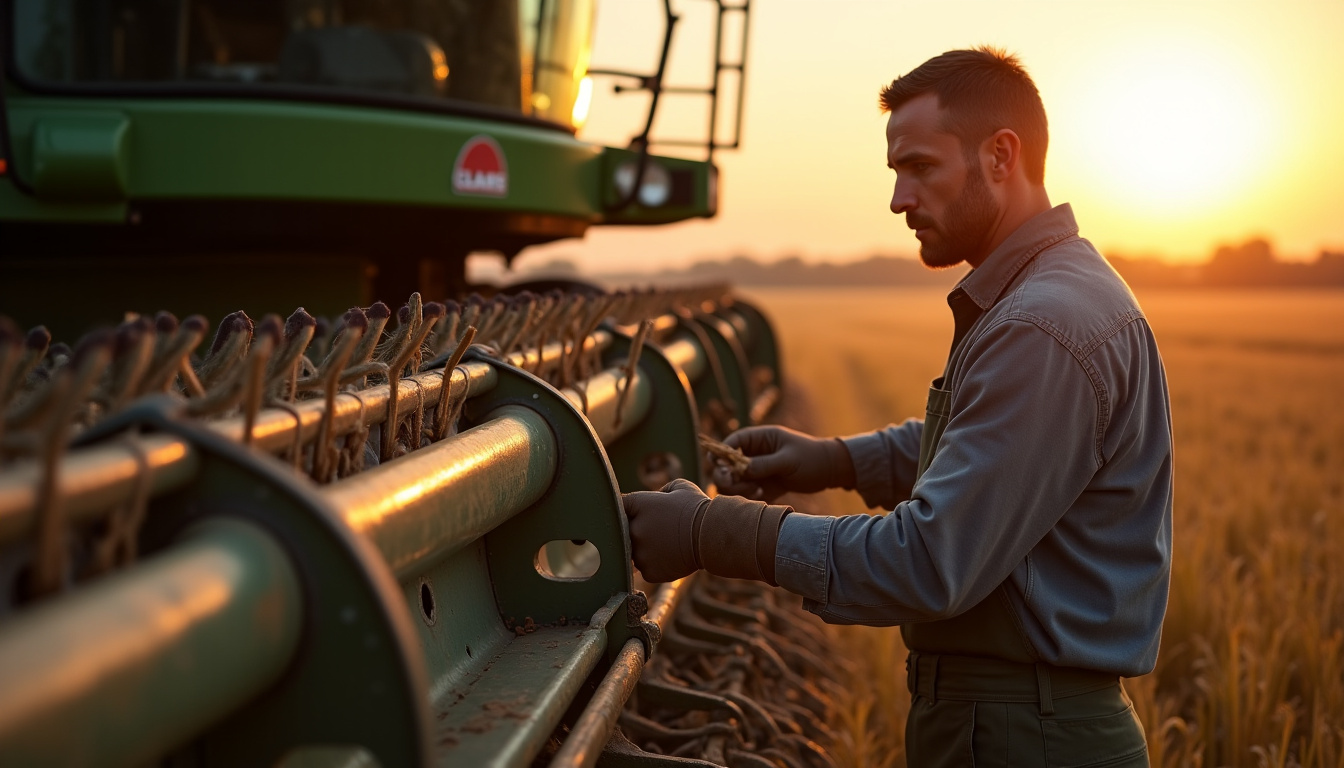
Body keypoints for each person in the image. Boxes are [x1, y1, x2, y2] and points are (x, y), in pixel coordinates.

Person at [622, 47, 1172, 767]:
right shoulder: (1047, 297)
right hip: (1019, 721)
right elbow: (991, 453)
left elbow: (928, 561)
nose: (898, 199)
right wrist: (836, 460)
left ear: (1001, 156)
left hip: (1024, 736)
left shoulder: (1042, 328)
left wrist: (712, 533)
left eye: (921, 168)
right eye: (896, 173)